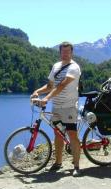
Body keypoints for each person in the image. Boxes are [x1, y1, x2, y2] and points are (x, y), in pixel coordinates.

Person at [30, 42, 82, 177]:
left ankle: (76, 166)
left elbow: (62, 85)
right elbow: (50, 85)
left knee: (72, 135)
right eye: (63, 51)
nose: (65, 54)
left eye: (68, 51)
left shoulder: (74, 67)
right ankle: (58, 163)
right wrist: (37, 91)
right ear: (60, 52)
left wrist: (46, 98)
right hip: (57, 107)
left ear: (72, 53)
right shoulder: (56, 66)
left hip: (69, 106)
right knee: (58, 135)